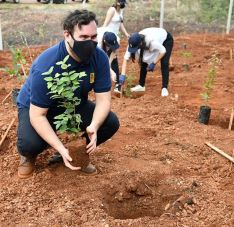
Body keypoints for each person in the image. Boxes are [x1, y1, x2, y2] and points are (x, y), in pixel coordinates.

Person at [16, 10, 120, 179]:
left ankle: (74, 154)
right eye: (84, 37)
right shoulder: (46, 66)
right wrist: (59, 146)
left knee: (110, 122)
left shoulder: (99, 57)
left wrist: (93, 126)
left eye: (93, 37)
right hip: (38, 107)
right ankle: (29, 156)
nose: (90, 42)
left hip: (73, 104)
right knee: (30, 144)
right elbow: (38, 116)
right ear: (67, 35)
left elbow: (103, 100)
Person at [120, 27, 174, 97]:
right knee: (143, 60)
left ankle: (164, 88)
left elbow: (163, 51)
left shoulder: (151, 42)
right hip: (153, 37)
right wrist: (122, 75)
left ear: (141, 43)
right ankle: (141, 85)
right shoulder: (132, 41)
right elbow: (125, 59)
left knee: (164, 63)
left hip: (166, 39)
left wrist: (154, 63)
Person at [103, 0, 129, 93]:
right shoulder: (112, 10)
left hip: (115, 39)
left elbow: (120, 24)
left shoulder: (120, 11)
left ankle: (116, 82)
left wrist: (126, 34)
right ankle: (115, 82)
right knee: (112, 58)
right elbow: (105, 24)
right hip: (109, 38)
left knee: (113, 58)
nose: (123, 5)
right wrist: (103, 36)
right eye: (122, 3)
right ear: (117, 2)